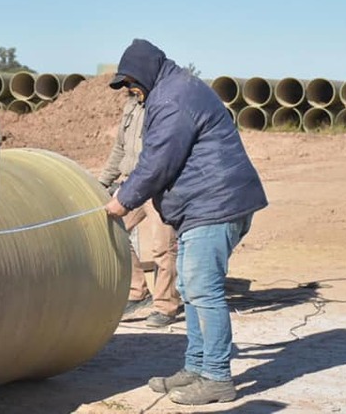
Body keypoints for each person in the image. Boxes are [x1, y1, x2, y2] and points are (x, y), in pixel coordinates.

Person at [103, 39, 268, 406]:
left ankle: (217, 377)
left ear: (145, 72)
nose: (132, 93)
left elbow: (159, 160)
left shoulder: (173, 99)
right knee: (193, 288)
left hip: (215, 204)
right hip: (205, 204)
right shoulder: (173, 90)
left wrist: (122, 200)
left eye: (131, 84)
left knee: (203, 289)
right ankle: (196, 366)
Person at [98, 92, 181, 328]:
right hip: (131, 183)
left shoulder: (164, 104)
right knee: (114, 230)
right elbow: (120, 148)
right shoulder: (131, 106)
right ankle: (137, 291)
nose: (131, 88)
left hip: (158, 186)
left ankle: (166, 306)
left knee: (164, 247)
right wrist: (103, 182)